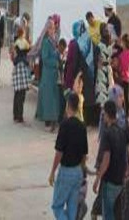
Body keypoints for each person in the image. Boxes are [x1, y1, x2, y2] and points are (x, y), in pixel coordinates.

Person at [93, 100, 129, 220]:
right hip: (121, 179)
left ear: (107, 115)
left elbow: (106, 160)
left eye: (104, 114)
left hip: (110, 180)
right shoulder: (123, 129)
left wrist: (97, 178)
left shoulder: (107, 133)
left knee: (108, 214)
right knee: (118, 212)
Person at [49, 92, 89, 220]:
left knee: (57, 206)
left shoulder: (64, 125)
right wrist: (82, 170)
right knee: (73, 208)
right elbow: (84, 154)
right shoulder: (82, 126)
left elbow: (59, 152)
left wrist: (52, 171)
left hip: (66, 171)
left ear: (68, 106)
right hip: (77, 171)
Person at [34, 16, 63, 130]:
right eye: (50, 28)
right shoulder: (46, 42)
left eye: (53, 27)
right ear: (47, 29)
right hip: (48, 74)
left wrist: (59, 56)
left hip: (53, 74)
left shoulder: (54, 41)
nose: (52, 30)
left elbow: (55, 53)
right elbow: (45, 59)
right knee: (48, 97)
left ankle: (53, 119)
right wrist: (55, 63)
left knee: (53, 97)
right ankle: (47, 121)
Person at [70, 21, 97, 126]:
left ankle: (84, 121)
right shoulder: (89, 39)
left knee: (83, 97)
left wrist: (74, 74)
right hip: (91, 71)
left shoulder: (79, 43)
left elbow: (76, 60)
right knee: (90, 96)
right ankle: (91, 121)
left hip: (82, 73)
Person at [11, 26, 32, 124]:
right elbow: (29, 51)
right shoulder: (25, 42)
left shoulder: (15, 43)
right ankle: (20, 116)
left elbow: (13, 56)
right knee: (22, 94)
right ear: (23, 33)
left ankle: (15, 115)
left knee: (17, 93)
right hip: (23, 68)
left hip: (16, 69)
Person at [94, 23, 113, 124]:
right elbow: (96, 60)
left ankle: (108, 119)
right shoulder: (99, 46)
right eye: (105, 31)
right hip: (101, 73)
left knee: (110, 96)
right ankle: (102, 121)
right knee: (102, 98)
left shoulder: (109, 44)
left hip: (108, 72)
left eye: (108, 31)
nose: (107, 32)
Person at [112, 35, 129, 116]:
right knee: (126, 97)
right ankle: (127, 114)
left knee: (120, 97)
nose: (121, 44)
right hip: (127, 78)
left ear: (124, 43)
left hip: (121, 78)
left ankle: (121, 113)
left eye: (122, 42)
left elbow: (118, 67)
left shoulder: (120, 55)